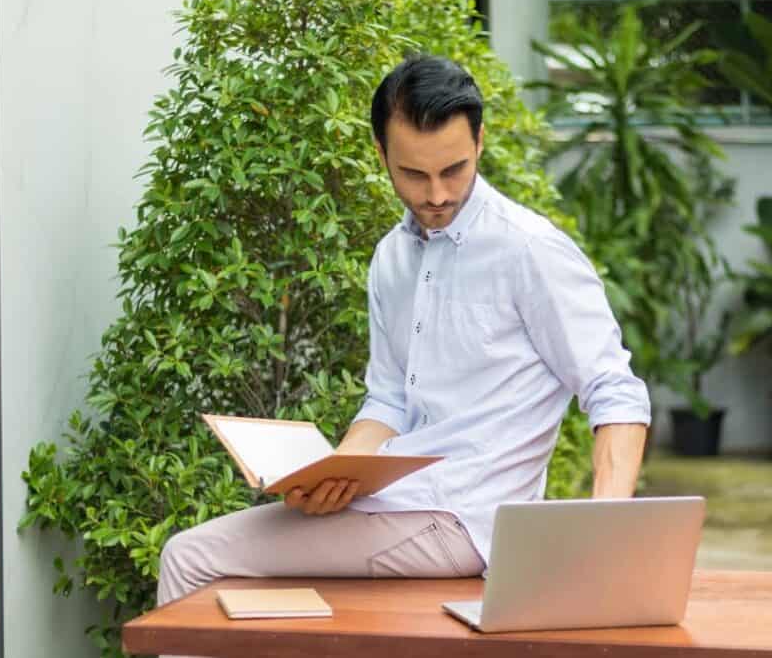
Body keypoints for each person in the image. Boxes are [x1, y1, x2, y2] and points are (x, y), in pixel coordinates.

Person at [157, 54, 651, 611]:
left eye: (454, 169)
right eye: (414, 174)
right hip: (395, 504)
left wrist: (603, 541)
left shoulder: (529, 250)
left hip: (464, 519)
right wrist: (337, 475)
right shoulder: (391, 257)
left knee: (189, 558)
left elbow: (616, 393)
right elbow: (389, 400)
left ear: (481, 142)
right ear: (381, 156)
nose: (437, 194)